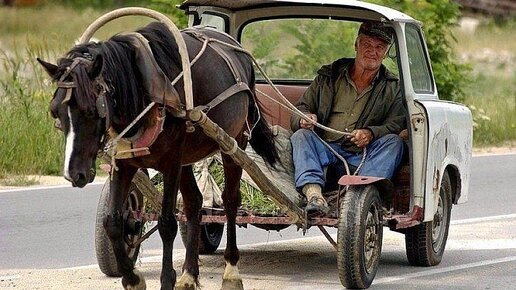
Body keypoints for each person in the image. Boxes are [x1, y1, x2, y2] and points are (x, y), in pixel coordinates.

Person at [290, 21, 406, 216]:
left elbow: (397, 124)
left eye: (379, 48)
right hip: (323, 149)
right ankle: (314, 195)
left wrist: (371, 133)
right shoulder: (329, 75)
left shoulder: (392, 86)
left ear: (385, 53)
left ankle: (357, 197)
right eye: (367, 45)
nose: (373, 52)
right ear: (356, 45)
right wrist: (303, 118)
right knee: (301, 135)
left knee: (395, 143)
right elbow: (301, 108)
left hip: (362, 157)